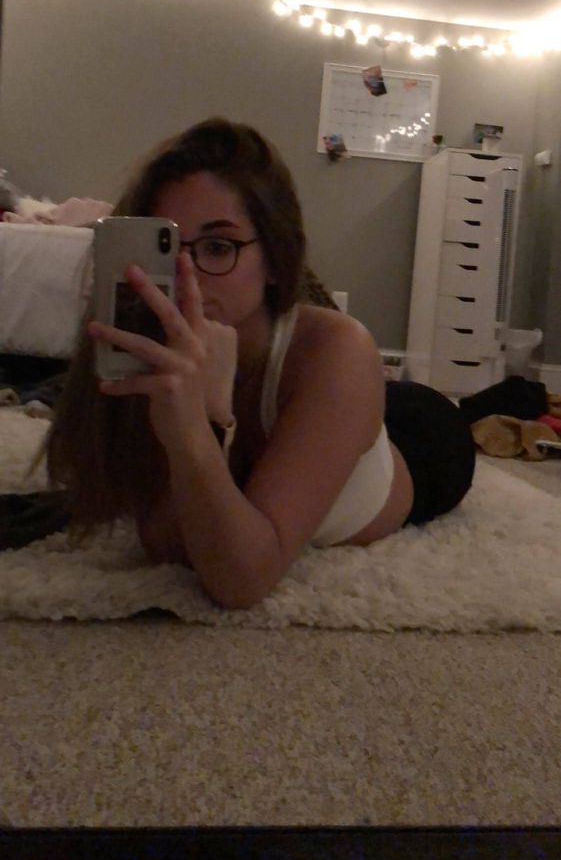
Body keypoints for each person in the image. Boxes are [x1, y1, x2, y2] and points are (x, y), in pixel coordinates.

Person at [43, 117, 475, 609]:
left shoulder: (336, 348)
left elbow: (240, 579)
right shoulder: (154, 347)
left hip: (425, 439)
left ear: (274, 258)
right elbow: (169, 545)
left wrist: (205, 423)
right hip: (327, 405)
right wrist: (194, 418)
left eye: (218, 247)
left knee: (414, 411)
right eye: (167, 247)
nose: (187, 277)